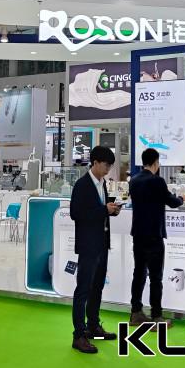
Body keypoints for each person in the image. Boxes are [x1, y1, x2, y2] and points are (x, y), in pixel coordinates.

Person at [70, 146, 122, 354]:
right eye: (106, 165)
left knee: (97, 287)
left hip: (102, 244)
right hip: (88, 245)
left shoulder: (102, 184)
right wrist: (103, 210)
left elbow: (98, 211)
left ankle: (93, 327)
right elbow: (76, 214)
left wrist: (111, 211)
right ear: (96, 162)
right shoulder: (82, 185)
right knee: (83, 289)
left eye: (110, 165)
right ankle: (78, 335)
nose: (108, 169)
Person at [128, 148, 184, 327]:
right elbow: (172, 202)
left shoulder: (134, 180)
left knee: (139, 273)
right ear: (156, 162)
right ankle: (157, 316)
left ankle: (136, 312)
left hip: (138, 234)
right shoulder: (157, 181)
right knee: (155, 277)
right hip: (154, 235)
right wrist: (181, 198)